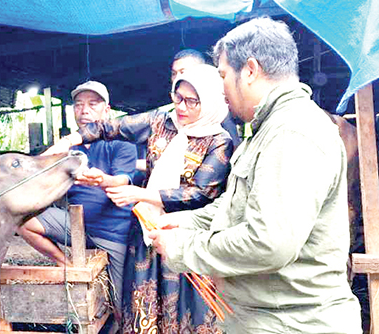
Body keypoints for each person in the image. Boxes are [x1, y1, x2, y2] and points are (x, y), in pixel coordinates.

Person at [148, 17, 362, 333]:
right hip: (264, 319)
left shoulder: (293, 132)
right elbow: (236, 207)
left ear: (249, 70)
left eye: (222, 75)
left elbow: (270, 243)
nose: (220, 90)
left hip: (292, 325)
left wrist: (183, 248)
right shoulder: (267, 130)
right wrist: (185, 222)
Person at [44, 64, 234, 333]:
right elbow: (112, 126)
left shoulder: (219, 141)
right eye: (177, 97)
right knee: (142, 303)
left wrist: (142, 194)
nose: (181, 107)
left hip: (188, 235)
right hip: (146, 232)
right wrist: (69, 140)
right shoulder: (160, 121)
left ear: (211, 101)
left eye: (192, 101)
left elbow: (201, 193)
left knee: (190, 308)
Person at [18, 80, 137, 327]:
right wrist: (64, 143)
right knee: (22, 220)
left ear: (108, 110)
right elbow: (37, 170)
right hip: (75, 226)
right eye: (79, 105)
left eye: (93, 104)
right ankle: (69, 266)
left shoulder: (122, 143)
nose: (85, 110)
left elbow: (122, 180)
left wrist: (102, 179)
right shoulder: (70, 148)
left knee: (120, 305)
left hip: (113, 232)